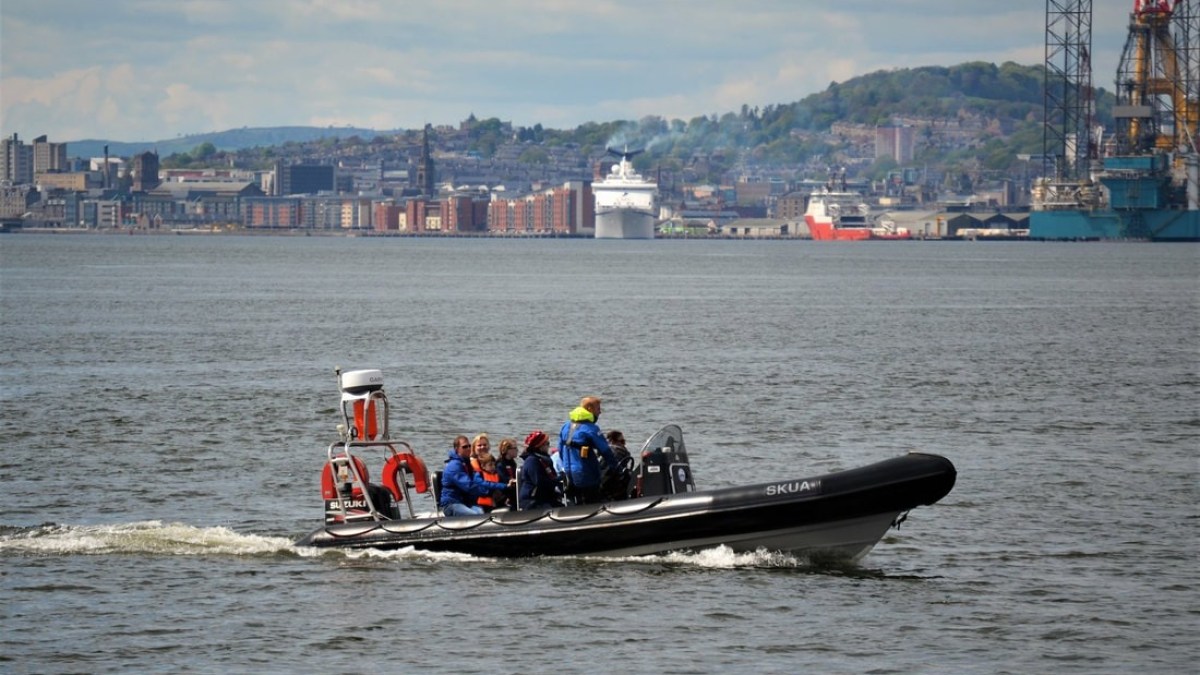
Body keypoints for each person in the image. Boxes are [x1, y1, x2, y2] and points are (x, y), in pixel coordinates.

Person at [557, 396, 618, 505]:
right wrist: (616, 468)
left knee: (576, 502)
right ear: (590, 409)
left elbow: (560, 451)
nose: (600, 412)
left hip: (569, 474)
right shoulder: (591, 429)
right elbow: (605, 451)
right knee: (593, 502)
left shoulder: (565, 426)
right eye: (598, 409)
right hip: (586, 475)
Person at [439, 435, 511, 517]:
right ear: (457, 449)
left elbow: (477, 482)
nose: (468, 448)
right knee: (476, 516)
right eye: (465, 447)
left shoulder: (466, 463)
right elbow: (469, 486)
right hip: (451, 503)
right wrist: (488, 492)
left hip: (465, 502)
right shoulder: (454, 466)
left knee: (481, 513)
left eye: (469, 446)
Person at [518, 430, 563, 510]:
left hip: (544, 498)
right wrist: (557, 480)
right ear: (540, 446)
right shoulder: (532, 461)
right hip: (532, 501)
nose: (549, 446)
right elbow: (540, 482)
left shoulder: (544, 460)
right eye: (547, 444)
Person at [601, 429, 635, 501]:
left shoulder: (603, 452)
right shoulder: (618, 452)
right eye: (622, 441)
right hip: (612, 485)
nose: (624, 444)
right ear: (612, 441)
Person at [495, 437, 520, 509]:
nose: (517, 450)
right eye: (515, 448)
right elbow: (503, 479)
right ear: (507, 450)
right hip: (503, 492)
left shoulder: (512, 463)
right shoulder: (500, 463)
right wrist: (512, 480)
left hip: (512, 489)